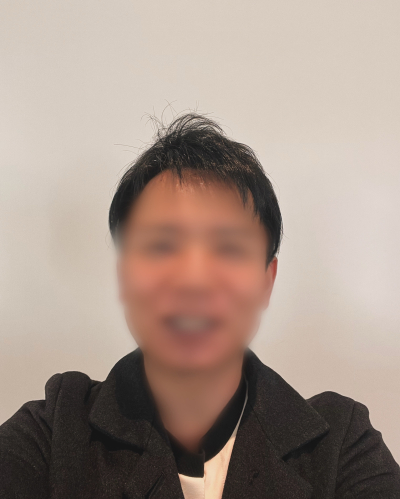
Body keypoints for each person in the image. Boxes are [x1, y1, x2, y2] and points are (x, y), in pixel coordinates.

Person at [0, 113, 399, 499]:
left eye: (229, 248)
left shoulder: (340, 448)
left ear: (266, 281)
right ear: (124, 276)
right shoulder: (52, 435)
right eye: (161, 245)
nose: (194, 280)